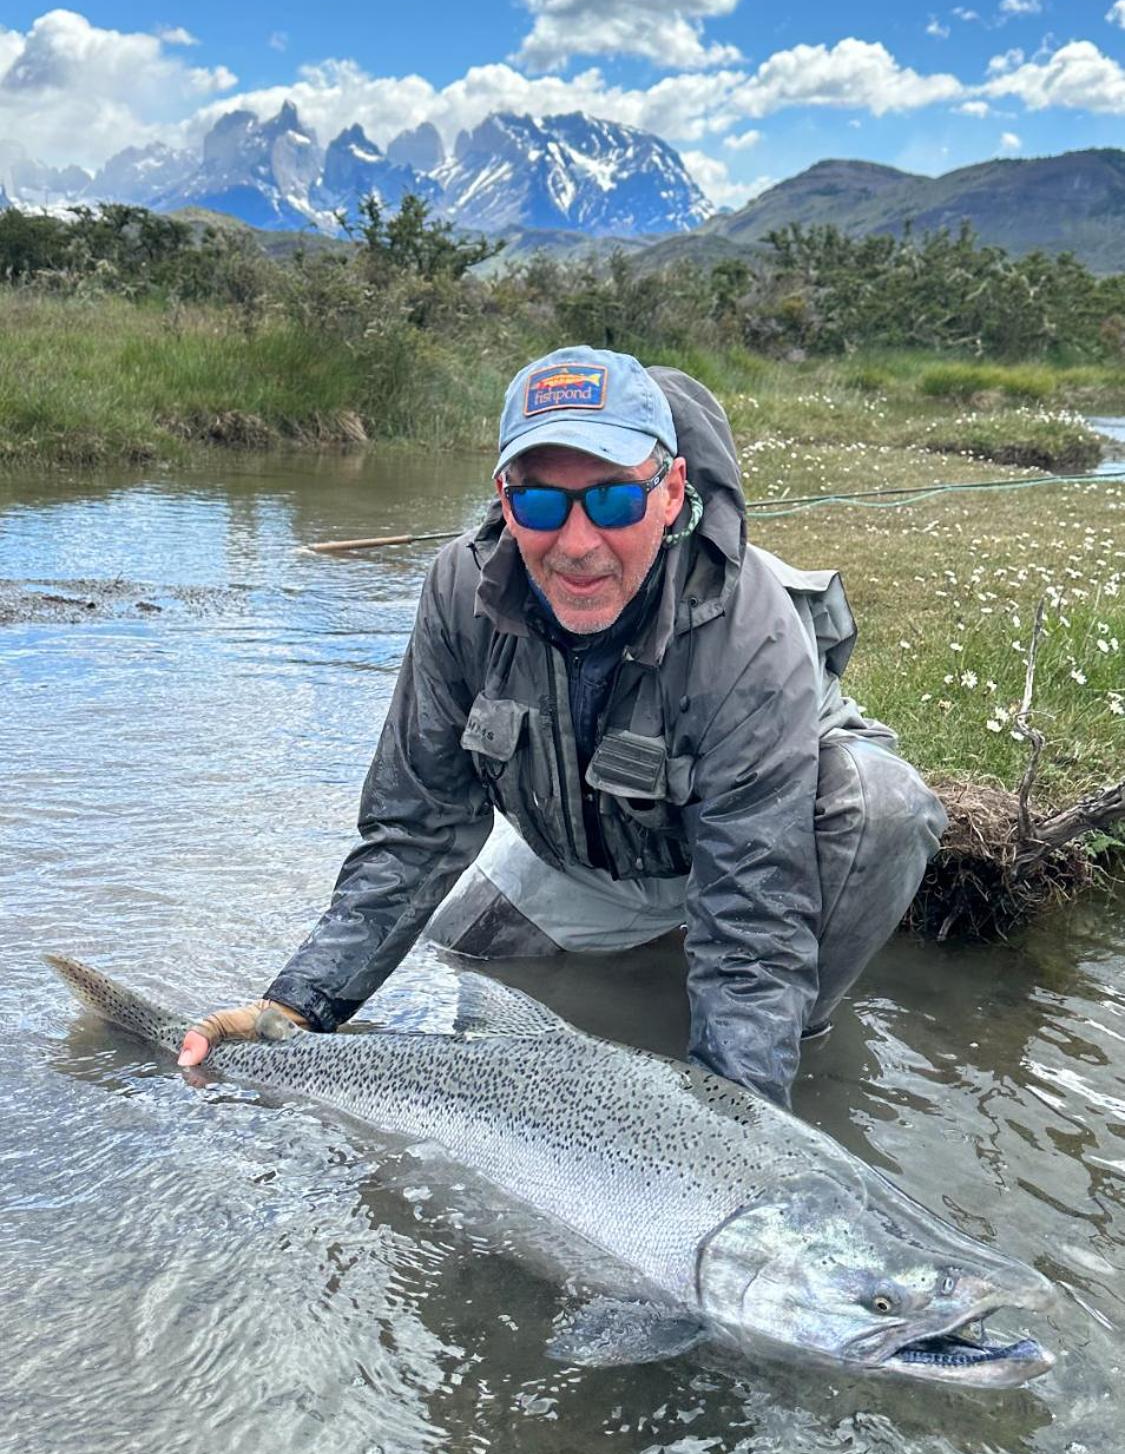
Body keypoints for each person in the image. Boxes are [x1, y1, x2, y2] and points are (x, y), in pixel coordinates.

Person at [179, 347, 947, 1106]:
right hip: (582, 853)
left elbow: (752, 920)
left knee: (881, 807)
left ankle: (798, 1033)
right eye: (541, 504)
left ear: (672, 490)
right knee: (463, 964)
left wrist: (734, 1115)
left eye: (614, 501)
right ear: (504, 498)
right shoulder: (458, 591)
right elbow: (417, 832)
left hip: (769, 838)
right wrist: (295, 1009)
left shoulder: (752, 633)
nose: (577, 544)